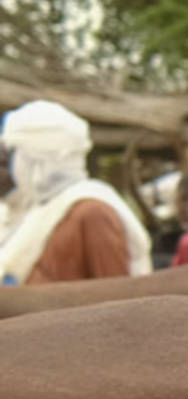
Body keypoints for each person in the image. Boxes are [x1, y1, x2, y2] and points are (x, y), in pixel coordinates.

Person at [0, 100, 150, 283]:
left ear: (36, 159)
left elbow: (117, 296)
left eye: (11, 158)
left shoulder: (93, 213)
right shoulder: (37, 211)